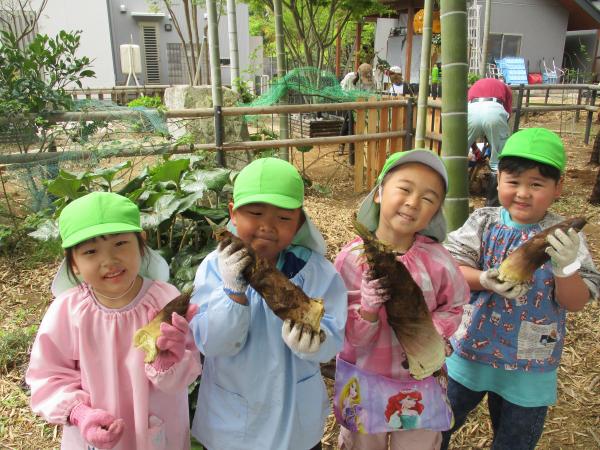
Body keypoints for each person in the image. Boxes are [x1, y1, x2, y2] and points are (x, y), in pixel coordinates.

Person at [441, 128, 600, 450]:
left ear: (558, 187)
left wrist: (566, 267)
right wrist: (485, 279)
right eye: (513, 182)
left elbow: (574, 302)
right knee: (437, 427)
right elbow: (450, 270)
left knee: (514, 442)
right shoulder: (483, 222)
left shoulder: (567, 239)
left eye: (536, 184)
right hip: (469, 353)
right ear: (498, 180)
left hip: (530, 366)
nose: (523, 193)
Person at [188, 157, 347, 450]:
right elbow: (211, 343)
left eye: (283, 218)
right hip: (232, 424)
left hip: (294, 418)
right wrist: (232, 292)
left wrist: (315, 341)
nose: (267, 226)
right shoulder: (214, 268)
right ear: (233, 213)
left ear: (299, 222)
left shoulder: (315, 271)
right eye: (256, 213)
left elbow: (334, 336)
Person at [26, 192, 202, 450]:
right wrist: (80, 414)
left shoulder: (164, 300)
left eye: (120, 243)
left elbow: (187, 371)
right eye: (90, 251)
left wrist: (168, 364)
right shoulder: (68, 311)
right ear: (73, 263)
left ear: (141, 244)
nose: (109, 261)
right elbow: (48, 376)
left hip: (159, 433)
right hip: (95, 435)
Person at [333, 149, 470, 450]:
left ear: (436, 212)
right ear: (379, 193)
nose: (413, 202)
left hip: (420, 382)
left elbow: (455, 304)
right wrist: (368, 310)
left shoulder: (438, 260)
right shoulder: (350, 260)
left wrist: (430, 332)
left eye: (428, 198)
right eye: (405, 189)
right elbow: (350, 336)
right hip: (365, 378)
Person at [467, 77, 513, 206]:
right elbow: (507, 114)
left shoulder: (474, 86)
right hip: (494, 109)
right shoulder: (506, 89)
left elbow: (471, 131)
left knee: (458, 154)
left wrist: (475, 149)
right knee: (498, 161)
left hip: (471, 109)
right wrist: (494, 141)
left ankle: (452, 196)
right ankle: (492, 204)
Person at [339, 63, 376, 160]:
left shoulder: (372, 81)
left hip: (363, 105)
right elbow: (343, 90)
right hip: (349, 102)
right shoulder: (350, 77)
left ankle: (345, 145)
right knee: (349, 120)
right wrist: (351, 98)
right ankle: (344, 146)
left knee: (356, 123)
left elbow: (372, 93)